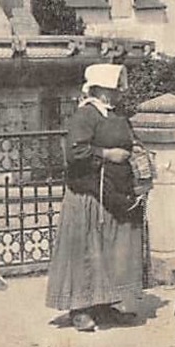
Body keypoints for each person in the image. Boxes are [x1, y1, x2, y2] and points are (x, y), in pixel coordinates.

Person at [46, 62, 146, 331]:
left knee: (108, 250)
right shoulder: (86, 115)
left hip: (112, 190)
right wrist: (106, 154)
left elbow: (127, 139)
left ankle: (104, 304)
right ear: (100, 90)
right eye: (114, 90)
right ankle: (79, 309)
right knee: (86, 252)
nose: (119, 94)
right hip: (89, 192)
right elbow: (75, 152)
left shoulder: (115, 114)